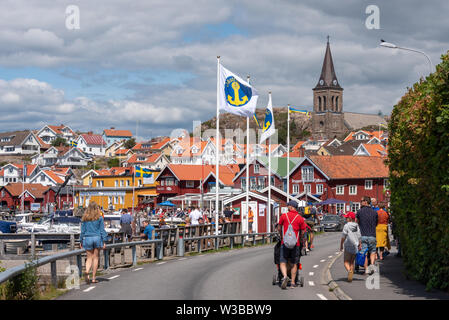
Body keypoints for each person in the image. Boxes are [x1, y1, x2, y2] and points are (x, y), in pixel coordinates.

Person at [277, 201, 307, 289]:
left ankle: (285, 276)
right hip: (295, 243)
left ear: (291, 207)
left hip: (285, 243)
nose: (287, 207)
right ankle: (293, 283)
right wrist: (300, 238)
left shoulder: (284, 216)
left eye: (288, 206)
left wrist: (281, 235)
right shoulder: (300, 218)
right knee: (294, 263)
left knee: (282, 261)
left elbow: (279, 227)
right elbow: (303, 231)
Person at [80, 201, 108, 284]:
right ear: (97, 208)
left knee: (89, 258)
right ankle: (93, 278)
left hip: (87, 238)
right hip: (97, 238)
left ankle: (87, 271)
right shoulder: (99, 218)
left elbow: (82, 231)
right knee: (95, 258)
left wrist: (81, 240)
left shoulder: (85, 218)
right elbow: (102, 230)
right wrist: (104, 241)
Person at [356, 196, 378, 275]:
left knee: (364, 253)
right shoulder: (374, 212)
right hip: (372, 235)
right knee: (372, 252)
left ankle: (366, 270)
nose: (360, 202)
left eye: (361, 201)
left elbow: (357, 222)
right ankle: (372, 265)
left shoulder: (359, 212)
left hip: (364, 235)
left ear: (365, 202)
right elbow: (376, 223)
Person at [339, 212, 362, 282]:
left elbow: (343, 236)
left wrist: (341, 245)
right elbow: (359, 236)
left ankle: (349, 271)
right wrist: (360, 244)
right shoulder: (356, 226)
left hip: (348, 245)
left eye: (346, 218)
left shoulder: (346, 226)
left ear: (349, 218)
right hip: (355, 245)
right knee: (352, 262)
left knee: (346, 262)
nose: (346, 219)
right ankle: (350, 277)